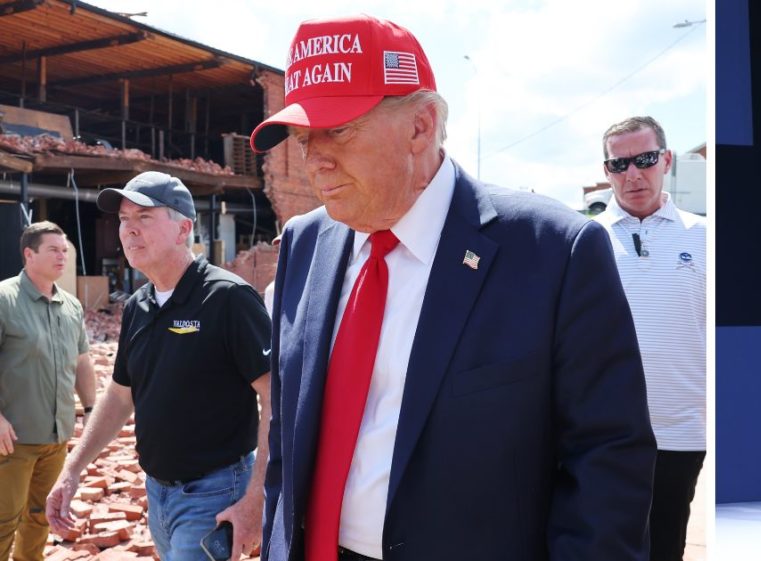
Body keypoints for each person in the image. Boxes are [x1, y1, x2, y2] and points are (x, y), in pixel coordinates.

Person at [248, 14, 656, 561]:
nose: (313, 157)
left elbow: (606, 464)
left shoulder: (552, 251)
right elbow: (287, 439)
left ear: (420, 125)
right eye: (302, 136)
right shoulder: (304, 242)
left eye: (338, 129)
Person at [45, 171, 272, 561]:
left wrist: (256, 499)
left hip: (214, 493)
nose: (129, 230)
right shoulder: (138, 305)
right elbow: (119, 395)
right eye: (123, 220)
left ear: (184, 228)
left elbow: (276, 400)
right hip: (158, 493)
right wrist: (73, 466)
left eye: (144, 217)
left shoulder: (228, 298)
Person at [594, 116, 706, 561]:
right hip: (599, 440)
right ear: (606, 171)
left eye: (644, 160)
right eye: (619, 164)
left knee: (664, 549)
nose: (633, 174)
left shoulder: (703, 237)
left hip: (679, 436)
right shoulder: (586, 241)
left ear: (667, 160)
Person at [0, 221, 96, 561]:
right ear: (29, 254)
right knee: (3, 522)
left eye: (65, 250)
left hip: (56, 439)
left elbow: (82, 362)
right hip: (12, 441)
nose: (62, 256)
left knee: (40, 517)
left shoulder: (71, 307)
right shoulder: (4, 299)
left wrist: (90, 410)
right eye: (53, 249)